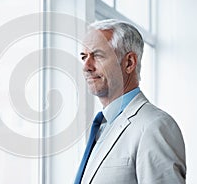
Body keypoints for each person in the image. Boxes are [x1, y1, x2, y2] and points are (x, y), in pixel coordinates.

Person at [74, 19, 186, 184]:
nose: (86, 66)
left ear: (129, 63)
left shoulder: (155, 126)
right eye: (84, 57)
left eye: (97, 55)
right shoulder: (102, 127)